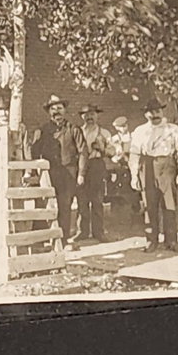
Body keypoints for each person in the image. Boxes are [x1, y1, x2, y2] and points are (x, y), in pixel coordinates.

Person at [128, 99, 178, 252]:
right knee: (150, 205)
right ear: (146, 114)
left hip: (167, 167)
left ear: (162, 112)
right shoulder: (140, 131)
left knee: (169, 204)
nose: (155, 115)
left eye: (158, 111)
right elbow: (134, 154)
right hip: (147, 167)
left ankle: (171, 241)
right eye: (151, 112)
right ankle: (151, 241)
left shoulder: (173, 129)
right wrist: (134, 176)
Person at [28, 96, 81, 246]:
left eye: (60, 108)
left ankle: (62, 239)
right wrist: (33, 172)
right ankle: (41, 238)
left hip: (68, 173)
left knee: (65, 205)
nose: (56, 112)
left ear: (65, 111)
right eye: (53, 109)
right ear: (49, 112)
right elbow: (35, 152)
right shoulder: (43, 130)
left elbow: (82, 152)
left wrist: (81, 174)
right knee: (43, 203)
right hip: (48, 173)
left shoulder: (73, 129)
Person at [72, 104, 110, 242]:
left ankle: (98, 232)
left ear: (97, 115)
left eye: (92, 114)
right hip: (82, 167)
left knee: (97, 200)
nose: (89, 117)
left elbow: (113, 152)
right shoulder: (77, 132)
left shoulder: (104, 133)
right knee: (82, 200)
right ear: (82, 117)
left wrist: (102, 148)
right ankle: (82, 231)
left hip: (97, 165)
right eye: (86, 115)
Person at [107, 114, 139, 229]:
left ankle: (135, 218)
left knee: (134, 193)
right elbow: (111, 154)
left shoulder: (133, 137)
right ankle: (118, 220)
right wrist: (116, 156)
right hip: (120, 169)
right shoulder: (115, 139)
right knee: (118, 193)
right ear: (117, 128)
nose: (123, 128)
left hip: (133, 168)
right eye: (121, 127)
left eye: (125, 126)